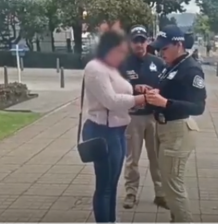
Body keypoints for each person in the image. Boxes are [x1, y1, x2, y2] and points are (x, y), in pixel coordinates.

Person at [81, 23, 146, 223]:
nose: (123, 56)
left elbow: (120, 94)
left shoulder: (111, 68)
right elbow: (109, 100)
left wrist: (136, 92)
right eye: (120, 51)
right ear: (109, 49)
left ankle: (111, 219)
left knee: (112, 183)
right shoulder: (96, 68)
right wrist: (137, 100)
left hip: (117, 130)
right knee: (105, 186)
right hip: (103, 131)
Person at [146, 24, 206, 222]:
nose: (161, 52)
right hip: (163, 128)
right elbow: (168, 88)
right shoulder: (172, 65)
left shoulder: (191, 69)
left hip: (178, 130)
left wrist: (166, 103)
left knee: (173, 186)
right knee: (168, 182)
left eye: (164, 48)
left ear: (178, 44)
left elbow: (198, 107)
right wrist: (156, 93)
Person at [120, 25, 168, 209]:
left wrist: (157, 91)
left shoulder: (158, 62)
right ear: (130, 43)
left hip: (154, 116)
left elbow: (167, 87)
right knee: (132, 158)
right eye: (135, 41)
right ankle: (131, 192)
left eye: (142, 40)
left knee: (157, 158)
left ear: (148, 41)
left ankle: (160, 193)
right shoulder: (123, 64)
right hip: (133, 118)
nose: (139, 44)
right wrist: (135, 88)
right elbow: (116, 88)